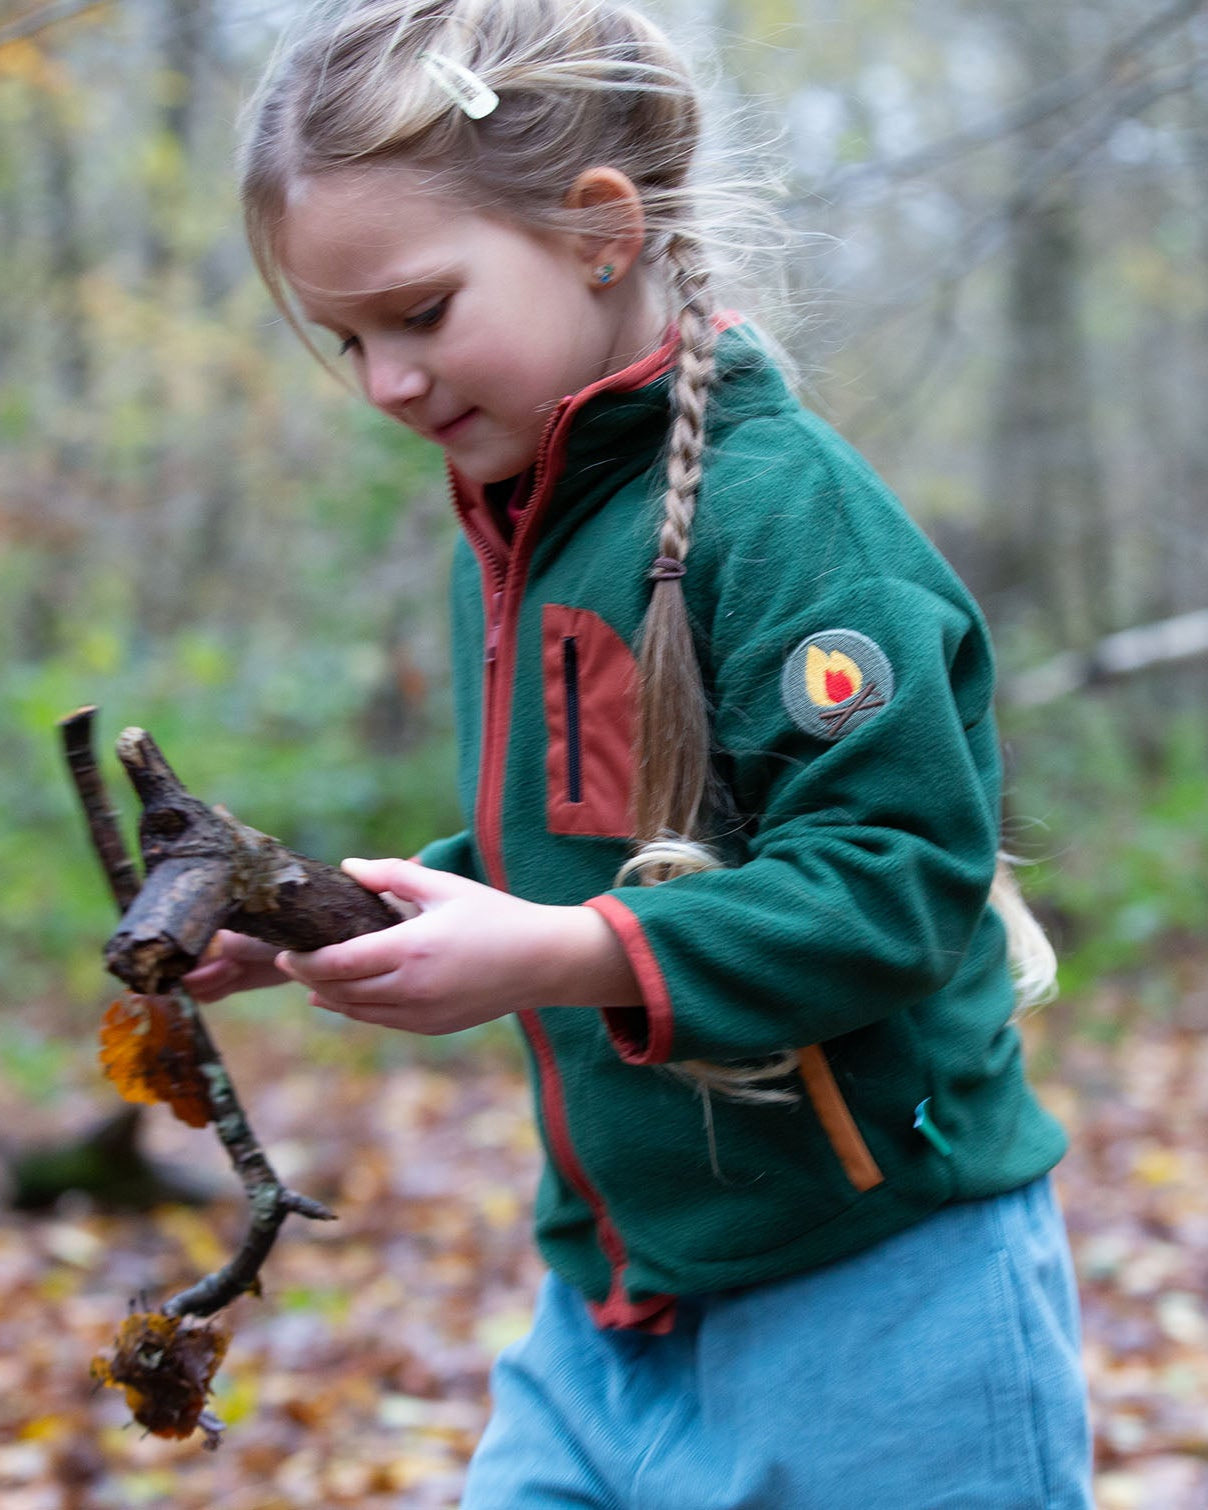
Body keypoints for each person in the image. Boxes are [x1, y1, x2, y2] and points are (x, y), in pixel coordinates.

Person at [184, 1, 1094, 1503]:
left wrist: (553, 953)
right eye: (348, 339)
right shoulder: (522, 532)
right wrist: (319, 923)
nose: (385, 381)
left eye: (421, 313)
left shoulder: (789, 520)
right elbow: (583, 844)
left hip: (881, 1300)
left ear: (601, 232)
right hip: (610, 1308)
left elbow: (894, 884)